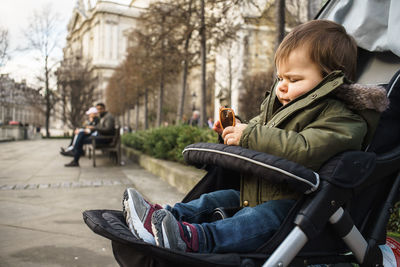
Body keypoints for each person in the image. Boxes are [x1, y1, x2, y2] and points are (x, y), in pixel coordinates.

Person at [122, 20, 388, 253]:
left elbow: (306, 149)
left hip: (298, 209)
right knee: (217, 199)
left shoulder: (344, 116)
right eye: (280, 77)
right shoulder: (281, 108)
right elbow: (258, 133)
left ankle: (193, 239)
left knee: (257, 220)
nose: (282, 85)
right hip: (258, 193)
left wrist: (250, 134)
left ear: (331, 79)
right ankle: (161, 218)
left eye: (294, 79)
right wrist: (234, 131)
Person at [64, 103, 115, 167]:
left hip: (104, 139)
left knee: (80, 138)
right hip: (100, 136)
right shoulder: (103, 117)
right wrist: (91, 129)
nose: (98, 111)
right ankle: (75, 155)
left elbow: (108, 129)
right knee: (81, 134)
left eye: (100, 109)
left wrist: (94, 127)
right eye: (97, 109)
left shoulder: (108, 117)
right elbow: (99, 128)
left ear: (104, 109)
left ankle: (75, 155)